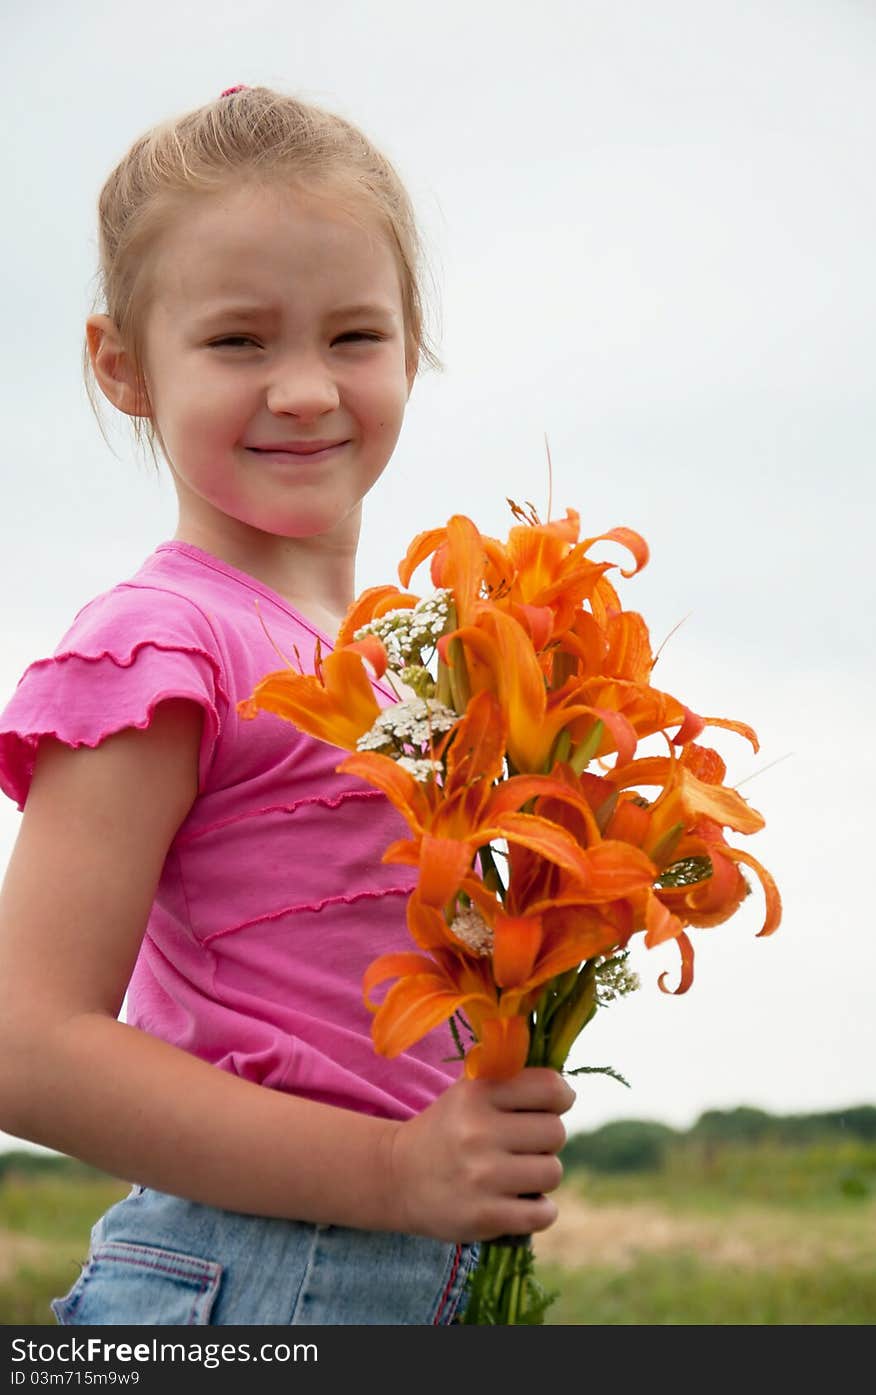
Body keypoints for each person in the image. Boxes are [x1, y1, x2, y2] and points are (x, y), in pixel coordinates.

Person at [0, 86, 574, 1326]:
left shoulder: (428, 679)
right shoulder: (165, 642)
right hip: (245, 1283)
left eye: (353, 337)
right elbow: (26, 1046)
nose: (307, 389)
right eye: (240, 342)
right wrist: (396, 1171)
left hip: (418, 1281)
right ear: (122, 367)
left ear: (412, 346)